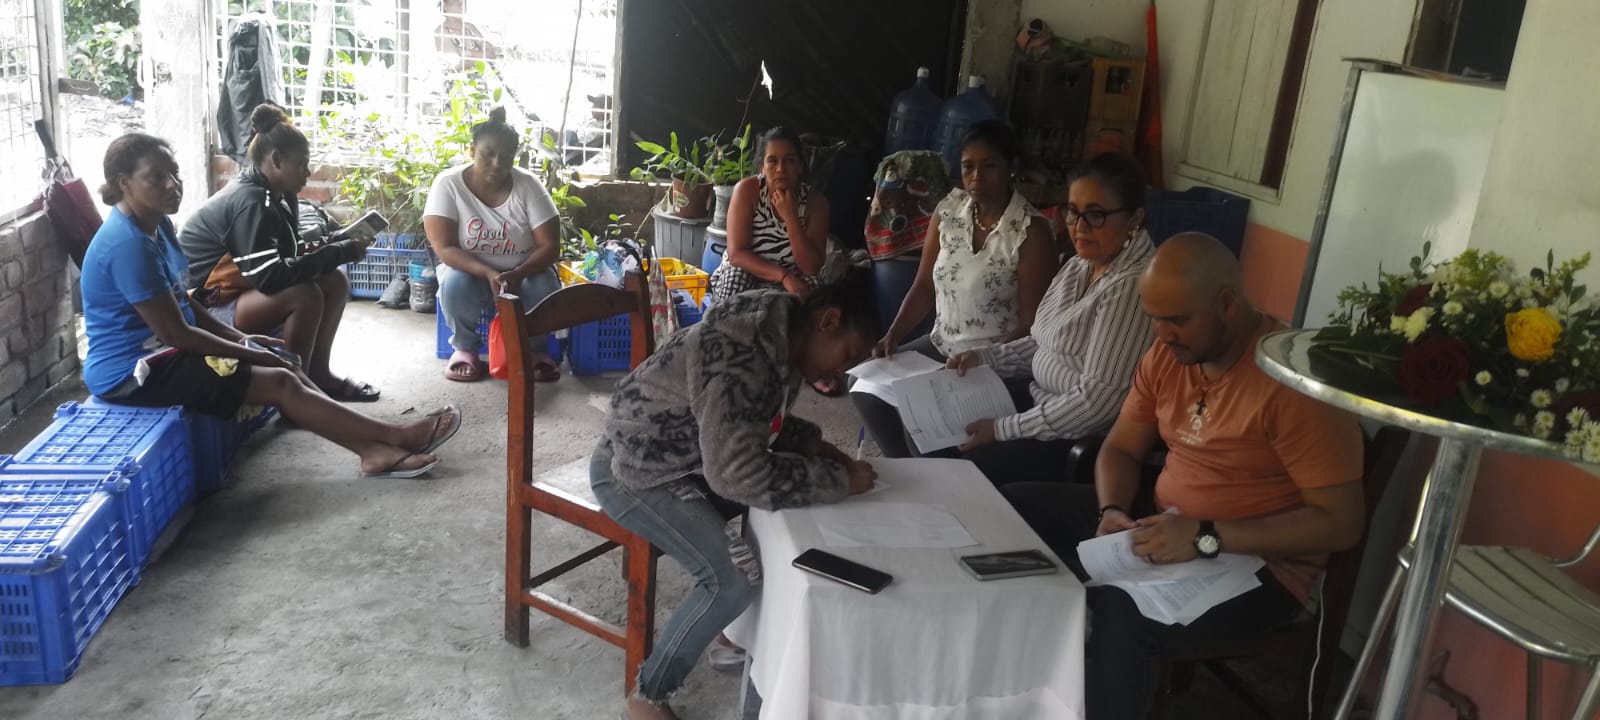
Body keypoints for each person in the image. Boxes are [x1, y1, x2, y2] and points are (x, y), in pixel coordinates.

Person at [1002, 233, 1367, 720]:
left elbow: (1341, 524)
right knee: (1016, 506)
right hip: (1165, 524)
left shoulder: (1294, 385)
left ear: (1226, 304)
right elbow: (1120, 449)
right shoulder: (1168, 356)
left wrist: (1203, 537)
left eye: (1176, 319)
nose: (1162, 334)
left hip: (1257, 566)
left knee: (1121, 612)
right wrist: (1113, 509)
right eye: (1153, 318)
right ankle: (1016, 685)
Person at [591, 266, 881, 720]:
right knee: (733, 578)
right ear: (828, 321)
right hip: (636, 469)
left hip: (686, 455)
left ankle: (735, 632)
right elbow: (735, 475)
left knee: (781, 509)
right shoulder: (745, 355)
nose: (842, 372)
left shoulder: (782, 333)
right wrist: (838, 482)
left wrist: (815, 445)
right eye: (848, 355)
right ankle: (647, 695)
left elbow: (753, 420)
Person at [82, 133, 462, 479]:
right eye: (156, 177)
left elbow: (185, 304)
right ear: (123, 183)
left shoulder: (158, 226)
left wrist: (243, 341)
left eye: (175, 173)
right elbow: (177, 333)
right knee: (280, 378)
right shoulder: (128, 246)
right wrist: (250, 352)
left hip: (164, 353)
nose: (172, 185)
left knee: (284, 365)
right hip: (133, 374)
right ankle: (390, 440)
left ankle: (377, 448)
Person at [861, 153, 1157, 485]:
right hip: (1037, 397)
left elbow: (1096, 404)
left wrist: (1003, 429)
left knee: (949, 455)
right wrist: (987, 358)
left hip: (1073, 431)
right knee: (925, 427)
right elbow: (1043, 342)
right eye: (1073, 211)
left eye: (1096, 215)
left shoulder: (1132, 286)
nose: (1079, 226)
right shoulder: (1082, 264)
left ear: (1134, 219)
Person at [852, 120, 1057, 457]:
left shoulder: (1030, 231)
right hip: (940, 344)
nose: (976, 177)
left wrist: (985, 359)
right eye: (968, 166)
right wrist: (892, 336)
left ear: (1012, 167)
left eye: (989, 166)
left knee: (923, 421)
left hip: (990, 362)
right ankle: (909, 475)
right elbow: (923, 287)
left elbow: (1032, 324)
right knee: (865, 389)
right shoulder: (949, 211)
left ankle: (931, 480)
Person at [180, 103, 380, 402]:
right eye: (302, 164)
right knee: (303, 295)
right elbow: (270, 278)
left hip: (238, 292)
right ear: (276, 159)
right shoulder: (251, 201)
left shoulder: (277, 194)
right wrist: (339, 252)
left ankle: (318, 376)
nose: (308, 172)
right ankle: (296, 393)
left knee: (336, 281)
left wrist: (338, 242)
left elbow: (289, 253)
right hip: (207, 309)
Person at [424, 106, 563, 382]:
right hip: (470, 270)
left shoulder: (528, 185)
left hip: (525, 271)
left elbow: (549, 246)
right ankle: (465, 348)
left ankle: (534, 350)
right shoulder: (448, 184)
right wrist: (488, 273)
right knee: (455, 284)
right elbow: (444, 246)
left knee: (544, 286)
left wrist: (518, 273)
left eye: (507, 156)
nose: (497, 163)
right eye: (488, 154)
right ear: (471, 150)